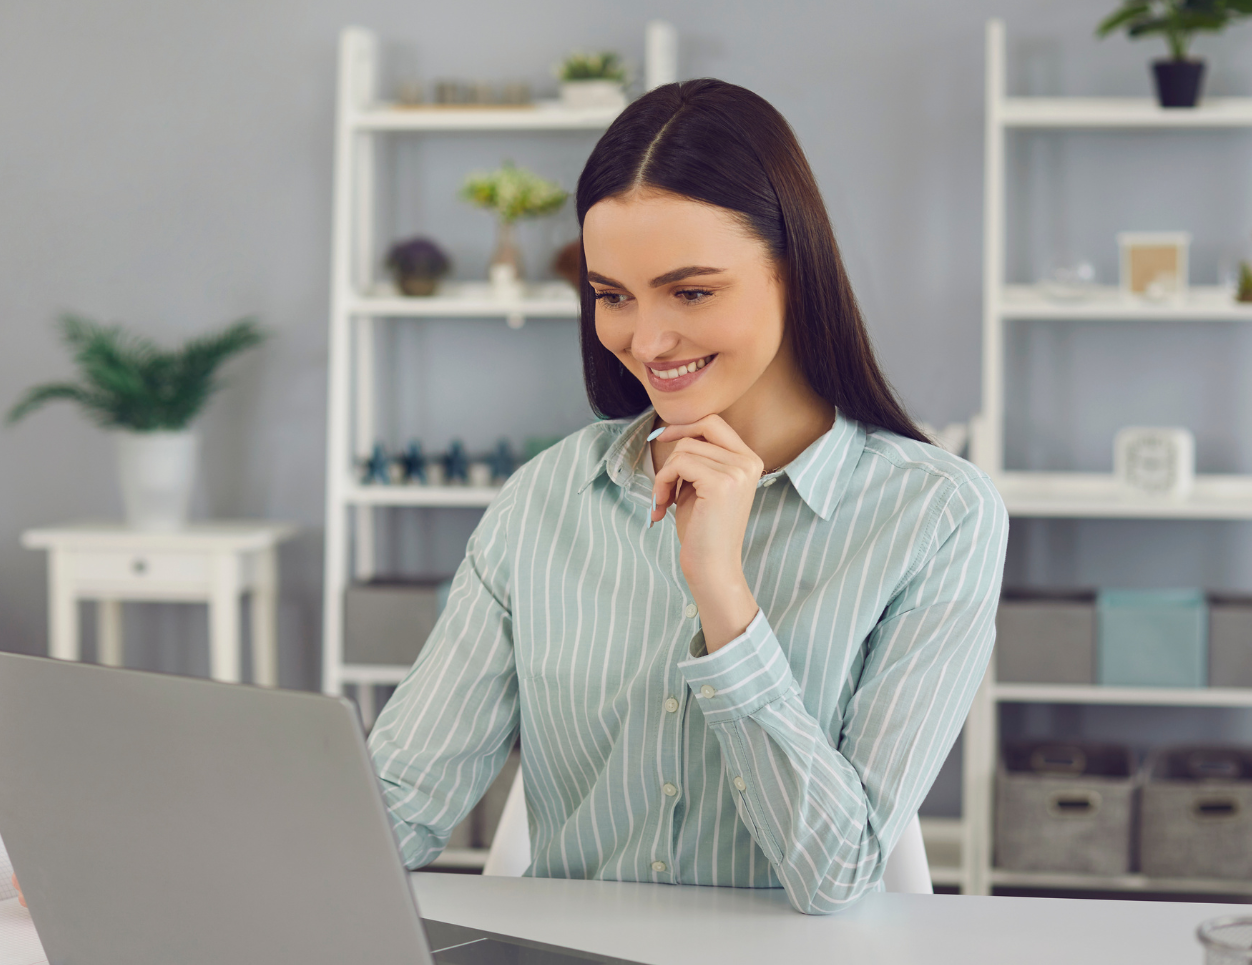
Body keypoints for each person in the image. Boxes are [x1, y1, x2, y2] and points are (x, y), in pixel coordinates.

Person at [366, 78, 1007, 915]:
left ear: (793, 273)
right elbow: (401, 805)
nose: (647, 340)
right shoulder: (547, 498)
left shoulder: (937, 516)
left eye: (692, 292)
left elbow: (838, 873)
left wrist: (722, 593)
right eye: (611, 296)